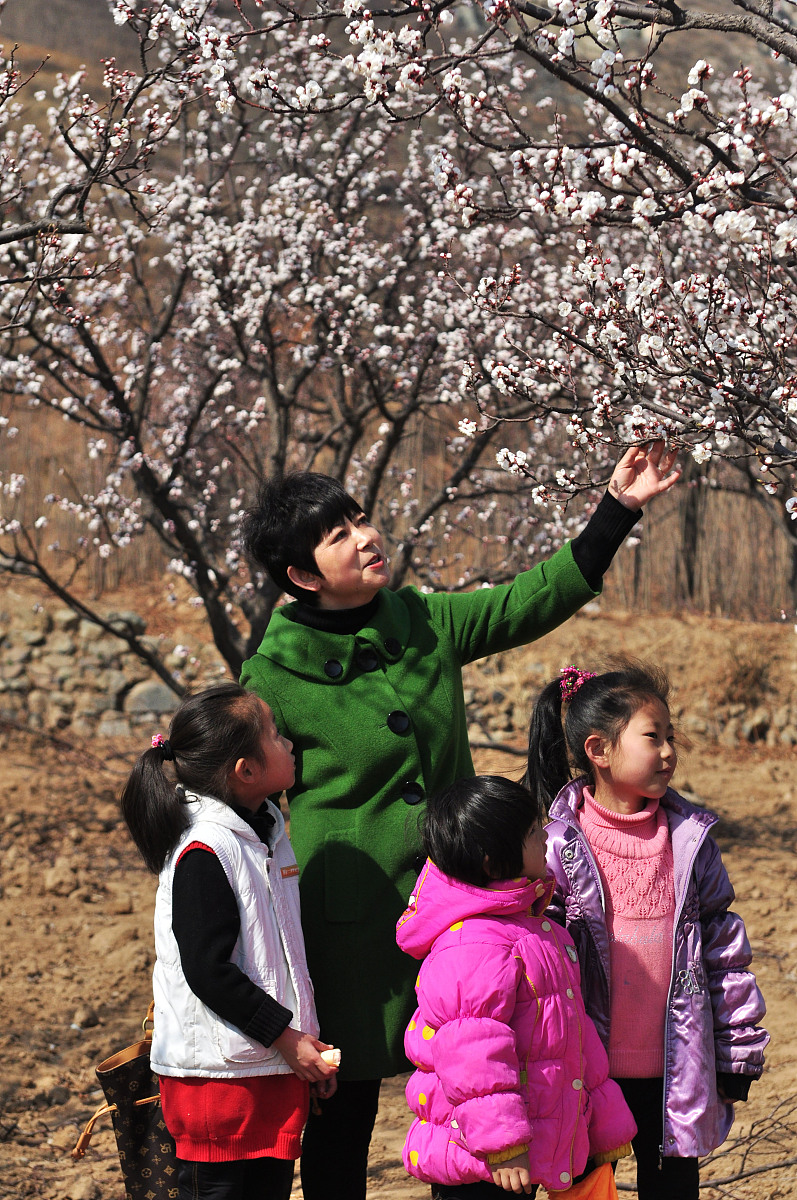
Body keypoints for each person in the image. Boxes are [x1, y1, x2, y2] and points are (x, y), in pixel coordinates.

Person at [238, 441, 680, 1200]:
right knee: (344, 1107)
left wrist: (617, 509)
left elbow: (531, 599)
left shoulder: (421, 621)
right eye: (340, 534)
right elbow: (242, 788)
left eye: (361, 519)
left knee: (482, 1079)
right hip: (350, 922)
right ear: (302, 576)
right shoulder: (272, 675)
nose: (367, 537)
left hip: (468, 906)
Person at [526, 661, 769, 1200]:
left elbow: (724, 953)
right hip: (585, 1073)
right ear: (599, 750)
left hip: (674, 1073)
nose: (668, 752)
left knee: (674, 1188)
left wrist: (736, 1051)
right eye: (652, 737)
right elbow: (538, 963)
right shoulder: (557, 845)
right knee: (587, 1188)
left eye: (670, 737)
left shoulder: (689, 840)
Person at [120, 682, 338, 1200]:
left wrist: (304, 1042)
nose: (288, 743)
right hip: (217, 1085)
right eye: (274, 735)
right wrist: (288, 1040)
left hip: (264, 1068)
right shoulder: (206, 849)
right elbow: (208, 971)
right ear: (246, 770)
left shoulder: (265, 833)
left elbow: (280, 955)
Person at [396, 775, 637, 1197]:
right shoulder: (473, 944)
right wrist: (501, 1144)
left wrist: (602, 1125)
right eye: (531, 832)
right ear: (494, 863)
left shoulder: (540, 931)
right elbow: (473, 1054)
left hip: (528, 1143)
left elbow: (575, 1039)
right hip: (479, 1156)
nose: (544, 837)